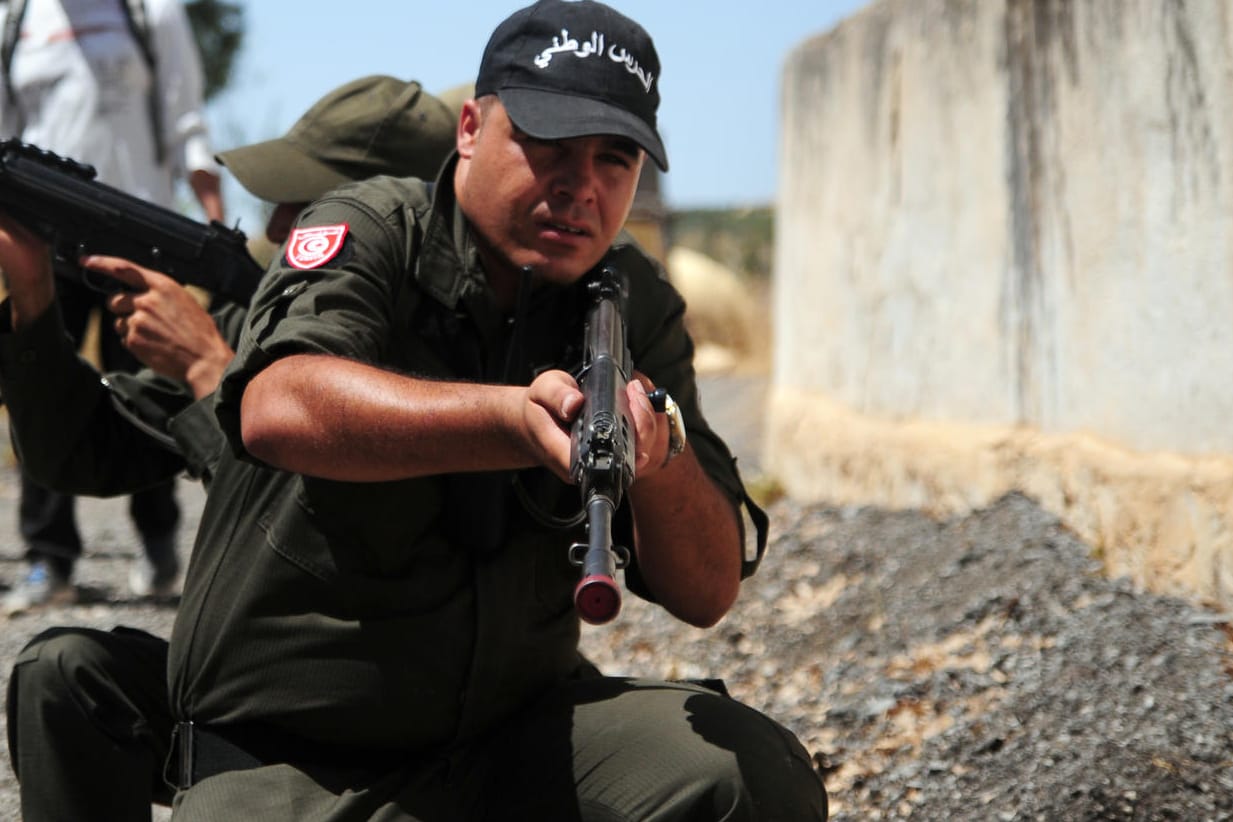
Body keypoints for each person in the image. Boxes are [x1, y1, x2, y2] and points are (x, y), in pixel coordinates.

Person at [18, 1, 829, 818]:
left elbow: (707, 589)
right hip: (306, 756)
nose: (578, 187)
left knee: (747, 775)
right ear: (470, 129)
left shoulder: (626, 301)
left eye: (613, 161)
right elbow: (275, 405)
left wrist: (661, 461)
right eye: (546, 146)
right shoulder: (369, 233)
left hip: (509, 733)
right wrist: (509, 419)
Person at [2, 75, 458, 821]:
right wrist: (33, 304)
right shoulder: (267, 315)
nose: (277, 227)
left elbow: (322, 528)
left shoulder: (443, 354)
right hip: (240, 684)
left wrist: (210, 371)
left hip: (365, 704)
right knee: (62, 672)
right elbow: (83, 456)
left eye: (308, 205)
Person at [0, 0, 225, 613]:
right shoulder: (17, 17)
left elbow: (186, 120)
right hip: (46, 248)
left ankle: (159, 550)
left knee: (150, 398)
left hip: (138, 242)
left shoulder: (154, 13)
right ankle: (50, 561)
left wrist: (215, 229)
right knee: (40, 394)